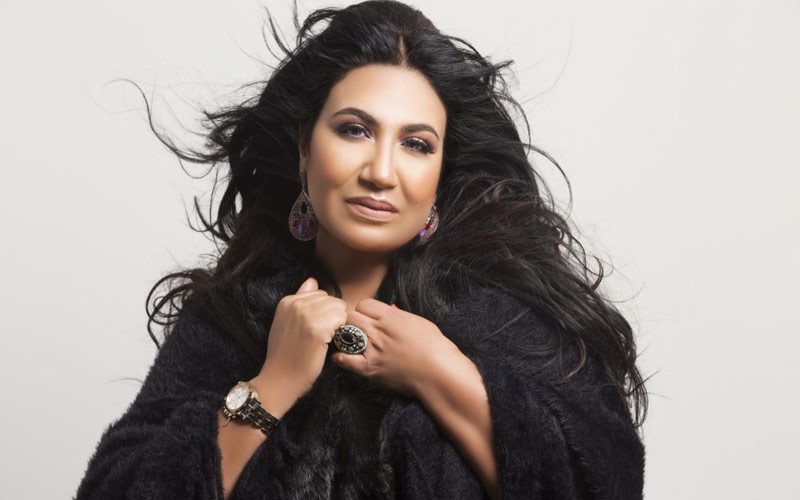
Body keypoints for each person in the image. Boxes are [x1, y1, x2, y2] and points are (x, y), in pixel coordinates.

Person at [75, 1, 648, 498]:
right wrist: (274, 383)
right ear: (305, 148)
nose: (380, 171)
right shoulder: (232, 316)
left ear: (440, 174)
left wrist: (439, 372)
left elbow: (604, 483)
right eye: (354, 130)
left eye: (416, 144)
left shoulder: (505, 319)